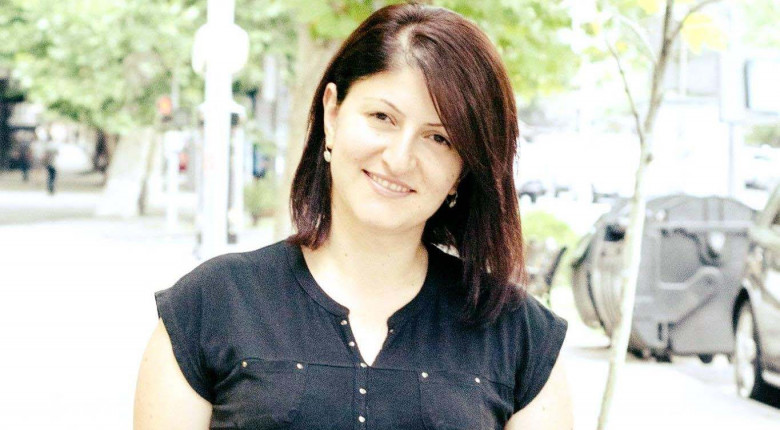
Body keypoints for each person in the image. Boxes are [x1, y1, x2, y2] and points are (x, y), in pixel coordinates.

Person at [134, 4, 572, 429]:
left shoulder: (520, 337)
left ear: (464, 169)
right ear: (332, 114)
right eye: (382, 117)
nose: (399, 159)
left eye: (439, 138)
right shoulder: (210, 306)